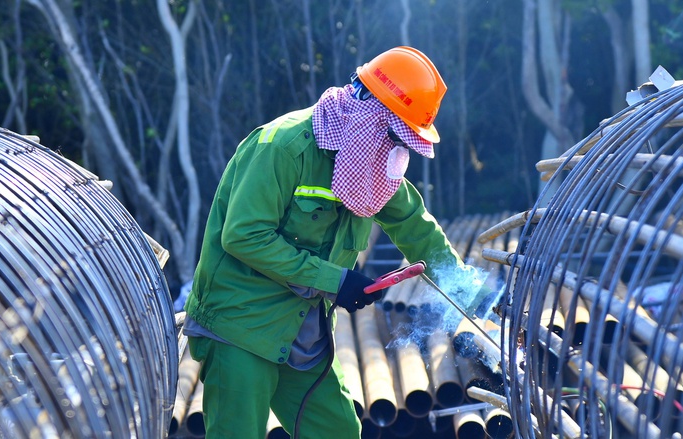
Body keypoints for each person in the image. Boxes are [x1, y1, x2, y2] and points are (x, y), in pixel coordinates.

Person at [182, 46, 474, 438]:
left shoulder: (373, 158)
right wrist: (335, 280)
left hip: (303, 331)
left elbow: (414, 225)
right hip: (240, 326)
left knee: (338, 430)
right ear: (369, 112)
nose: (398, 152)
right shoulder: (281, 147)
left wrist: (472, 291)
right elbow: (243, 236)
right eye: (397, 136)